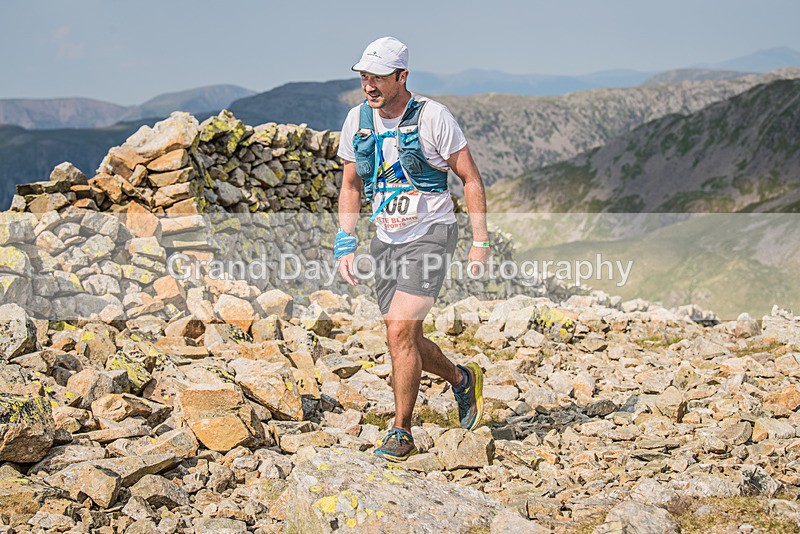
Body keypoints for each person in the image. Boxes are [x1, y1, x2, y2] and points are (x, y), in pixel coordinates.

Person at [334, 36, 491, 462]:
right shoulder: (357, 121)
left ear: (402, 76)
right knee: (408, 337)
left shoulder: (433, 117)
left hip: (431, 234)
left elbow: (470, 179)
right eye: (365, 76)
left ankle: (401, 430)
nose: (369, 85)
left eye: (379, 77)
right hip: (385, 238)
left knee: (398, 331)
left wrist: (480, 242)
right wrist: (345, 239)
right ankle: (461, 378)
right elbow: (350, 185)